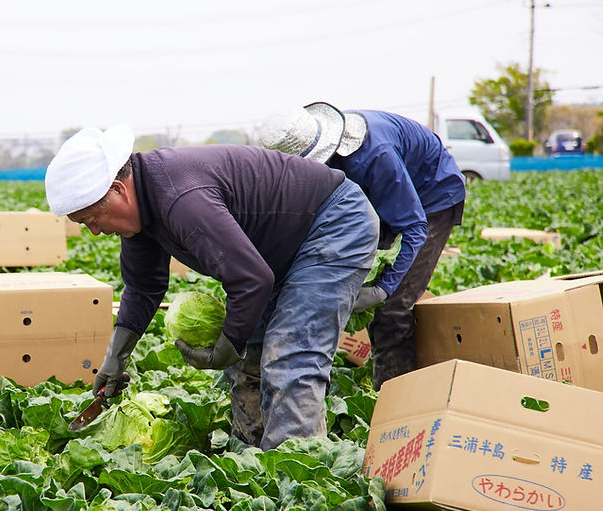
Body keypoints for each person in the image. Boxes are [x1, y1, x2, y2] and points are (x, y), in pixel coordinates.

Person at [45, 125, 378, 450]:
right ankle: (251, 464)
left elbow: (250, 280)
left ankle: (297, 477)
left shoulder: (180, 198)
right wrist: (115, 358)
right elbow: (143, 286)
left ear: (118, 190)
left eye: (93, 219)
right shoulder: (142, 206)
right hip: (280, 249)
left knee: (290, 355)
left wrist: (226, 347)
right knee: (249, 358)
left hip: (333, 224)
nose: (95, 232)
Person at [260, 103, 466, 390]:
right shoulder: (320, 163)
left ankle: (395, 400)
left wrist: (383, 288)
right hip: (379, 198)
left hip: (431, 197)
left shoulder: (373, 157)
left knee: (391, 308)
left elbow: (413, 225)